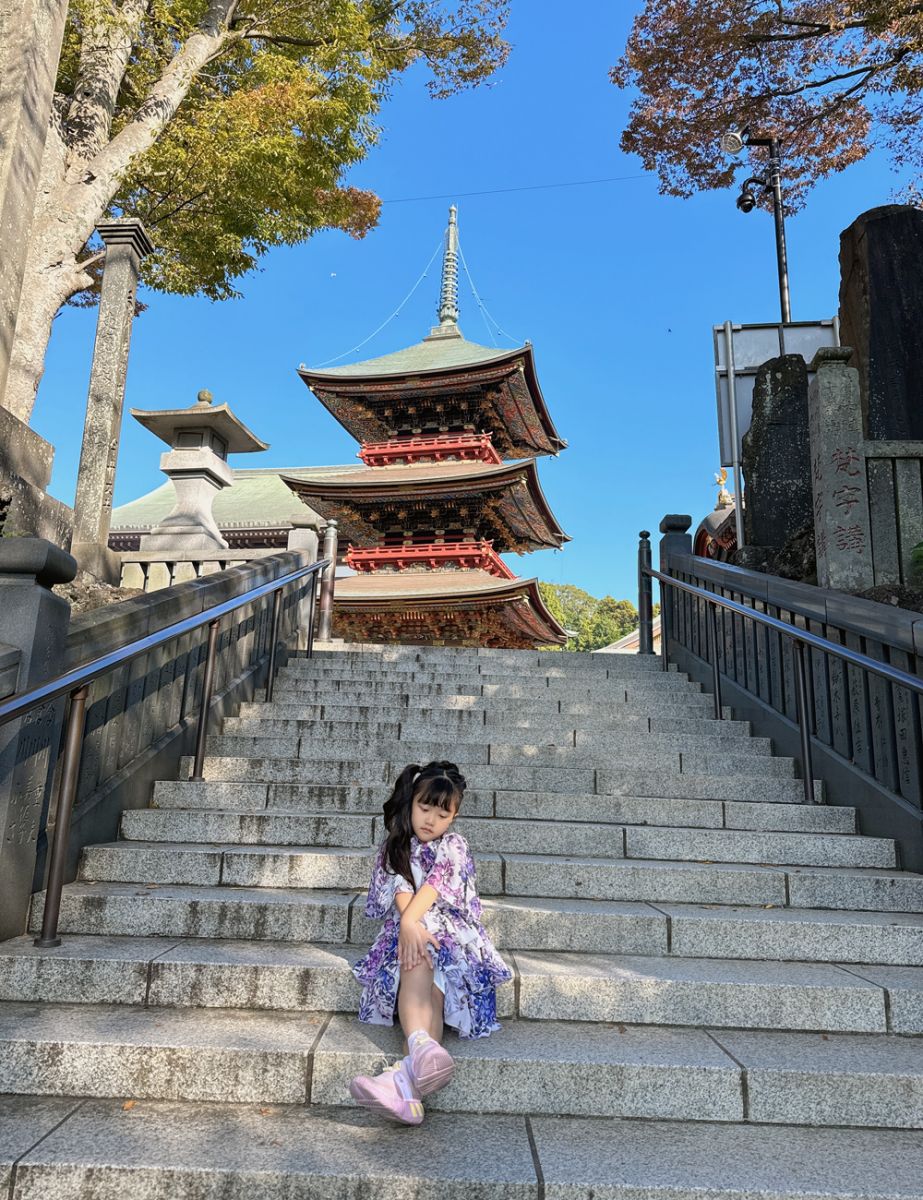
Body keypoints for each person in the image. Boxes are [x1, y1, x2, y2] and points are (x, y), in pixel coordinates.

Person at [349, 760, 512, 1125]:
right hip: (412, 932)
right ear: (410, 803)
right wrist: (410, 924)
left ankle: (406, 1069)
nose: (430, 820)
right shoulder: (394, 848)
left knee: (433, 959)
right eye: (424, 807)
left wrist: (411, 922)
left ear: (453, 818)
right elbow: (400, 890)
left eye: (442, 813)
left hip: (452, 935)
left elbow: (437, 884)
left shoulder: (453, 845)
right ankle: (417, 1061)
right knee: (415, 954)